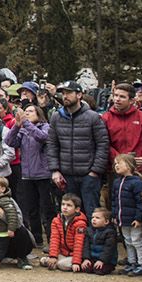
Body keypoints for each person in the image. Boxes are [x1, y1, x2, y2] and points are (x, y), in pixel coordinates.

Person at [45, 82, 110, 225]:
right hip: (66, 174)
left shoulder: (93, 117)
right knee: (70, 216)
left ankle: (92, 245)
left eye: (69, 93)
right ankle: (74, 246)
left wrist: (95, 171)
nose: (65, 96)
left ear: (79, 95)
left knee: (91, 213)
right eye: (63, 93)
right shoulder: (56, 117)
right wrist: (55, 170)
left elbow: (103, 144)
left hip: (89, 175)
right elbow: (52, 144)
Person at [6, 103, 53, 247]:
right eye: (25, 111)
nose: (27, 114)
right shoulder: (24, 130)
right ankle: (37, 239)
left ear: (38, 114)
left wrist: (25, 123)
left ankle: (52, 240)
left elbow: (43, 137)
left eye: (30, 111)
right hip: (27, 174)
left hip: (43, 174)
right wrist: (16, 126)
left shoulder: (45, 127)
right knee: (31, 209)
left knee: (46, 209)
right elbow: (10, 141)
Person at [110, 154, 142, 276]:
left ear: (128, 165)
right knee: (127, 241)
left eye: (119, 163)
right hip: (123, 219)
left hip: (133, 219)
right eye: (115, 163)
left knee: (136, 240)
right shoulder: (117, 182)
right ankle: (132, 262)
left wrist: (139, 218)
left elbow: (141, 202)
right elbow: (114, 201)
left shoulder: (137, 183)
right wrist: (115, 215)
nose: (116, 165)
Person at [41, 194, 88, 271]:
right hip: (63, 253)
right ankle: (54, 261)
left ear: (77, 209)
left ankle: (76, 263)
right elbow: (54, 239)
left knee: (61, 264)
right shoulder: (56, 220)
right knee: (46, 260)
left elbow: (79, 244)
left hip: (76, 255)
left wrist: (76, 262)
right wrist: (53, 256)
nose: (65, 207)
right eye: (63, 204)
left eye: (69, 205)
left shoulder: (80, 223)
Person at [85, 207, 118, 275]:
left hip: (107, 260)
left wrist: (102, 260)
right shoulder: (89, 231)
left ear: (106, 221)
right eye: (93, 217)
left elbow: (108, 249)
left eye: (97, 218)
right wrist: (86, 258)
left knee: (99, 270)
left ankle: (109, 267)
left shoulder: (110, 232)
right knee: (86, 268)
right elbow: (86, 246)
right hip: (93, 258)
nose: (94, 219)